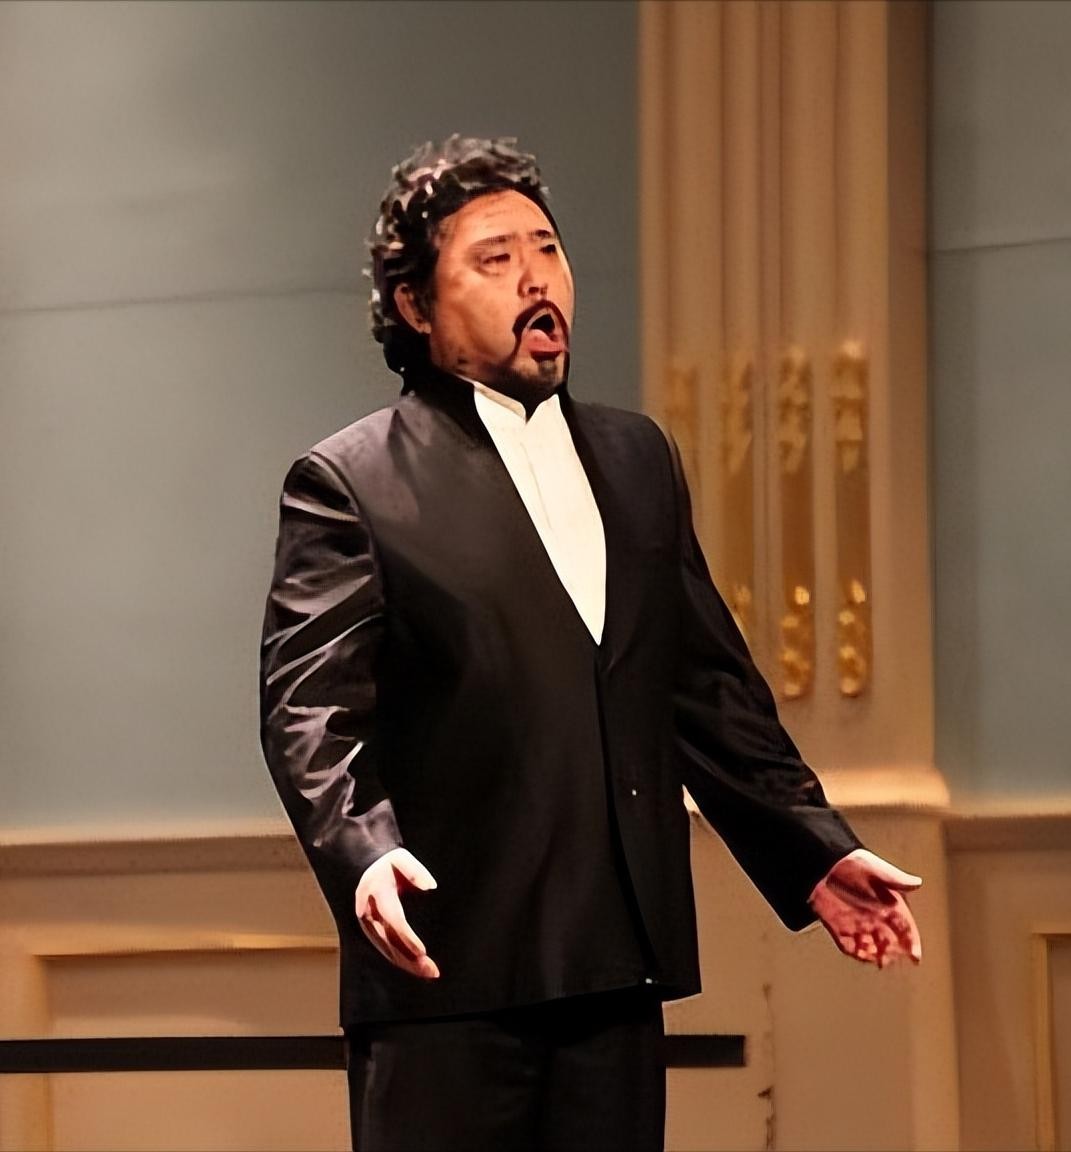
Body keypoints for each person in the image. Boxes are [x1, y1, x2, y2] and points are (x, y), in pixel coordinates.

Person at [259, 135, 922, 1152]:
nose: (537, 278)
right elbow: (310, 711)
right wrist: (364, 856)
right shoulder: (354, 483)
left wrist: (812, 852)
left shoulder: (636, 455)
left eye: (548, 249)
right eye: (494, 259)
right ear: (416, 307)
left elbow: (705, 689)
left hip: (615, 966)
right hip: (448, 976)